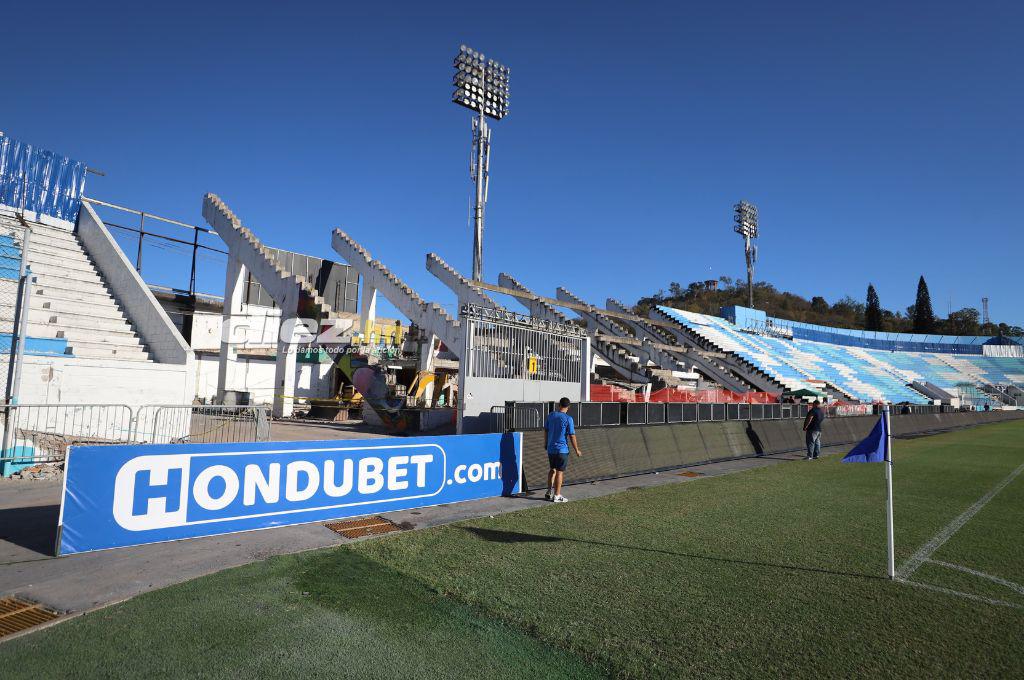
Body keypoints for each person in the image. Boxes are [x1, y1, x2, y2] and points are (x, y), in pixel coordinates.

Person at [544, 397, 583, 502]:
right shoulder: (568, 418)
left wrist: (546, 443)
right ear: (568, 407)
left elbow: (546, 430)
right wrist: (577, 450)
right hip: (562, 450)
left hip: (551, 449)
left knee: (552, 469)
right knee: (560, 472)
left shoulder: (551, 415)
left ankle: (549, 491)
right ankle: (557, 495)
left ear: (559, 405)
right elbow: (572, 435)